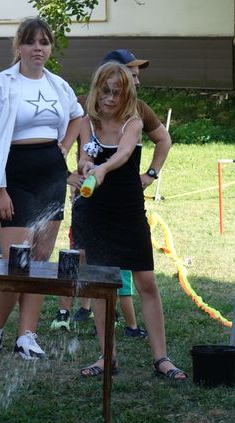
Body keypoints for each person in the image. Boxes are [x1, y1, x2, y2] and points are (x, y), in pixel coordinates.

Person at [0, 17, 83, 359]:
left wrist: (64, 148)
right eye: (31, 42)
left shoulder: (58, 85)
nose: (38, 49)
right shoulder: (0, 85)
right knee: (16, 262)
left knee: (39, 260)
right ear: (19, 46)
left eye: (44, 43)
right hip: (15, 176)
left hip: (50, 178)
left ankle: (27, 336)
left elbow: (78, 116)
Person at [72, 61, 186, 380]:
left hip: (127, 208)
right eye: (105, 91)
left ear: (127, 95)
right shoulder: (87, 121)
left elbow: (122, 154)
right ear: (97, 90)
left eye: (117, 92)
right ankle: (107, 357)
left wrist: (103, 169)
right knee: (100, 282)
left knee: (145, 280)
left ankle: (161, 358)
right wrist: (85, 166)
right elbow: (85, 155)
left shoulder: (132, 121)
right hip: (94, 209)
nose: (110, 98)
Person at [51, 48, 171, 337]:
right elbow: (63, 147)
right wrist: (72, 173)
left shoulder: (137, 112)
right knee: (85, 262)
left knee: (133, 276)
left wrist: (150, 174)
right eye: (132, 74)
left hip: (126, 205)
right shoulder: (83, 108)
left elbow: (155, 142)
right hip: (91, 202)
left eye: (134, 78)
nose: (136, 81)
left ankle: (128, 326)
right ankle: (71, 312)